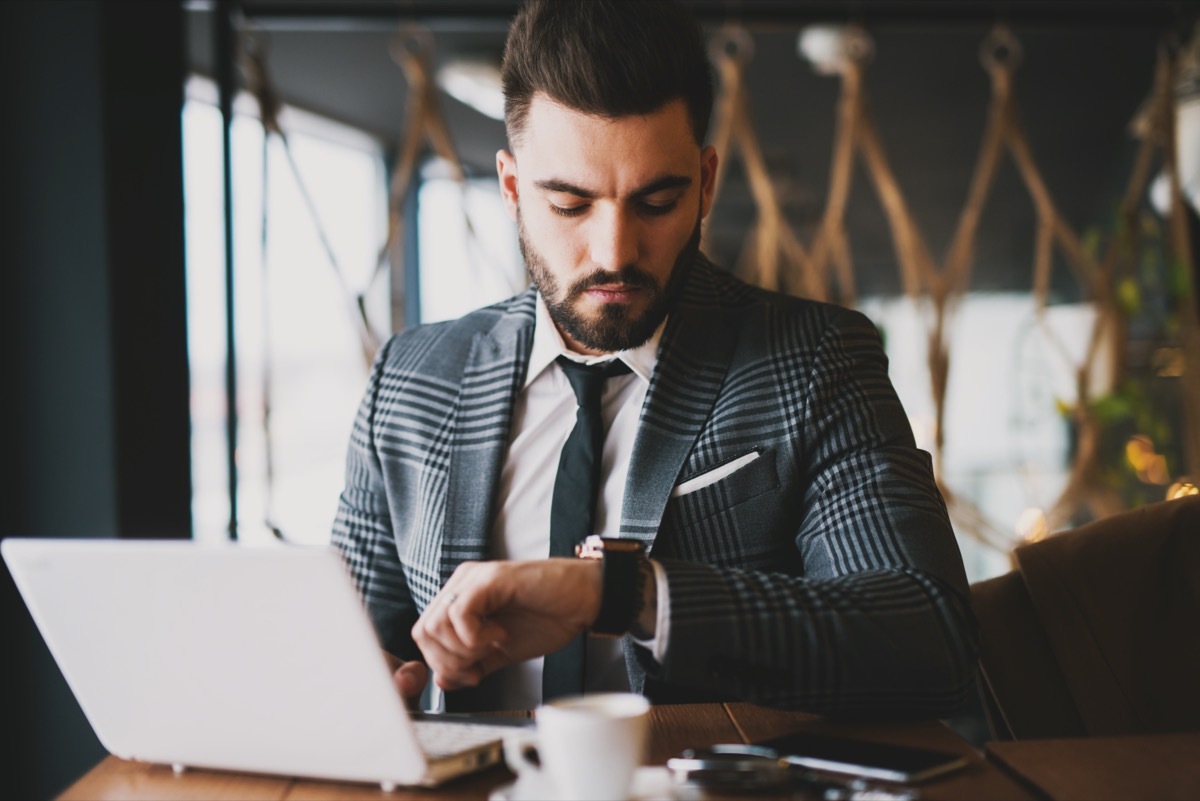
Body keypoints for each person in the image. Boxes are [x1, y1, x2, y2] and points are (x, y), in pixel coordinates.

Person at [333, 0, 977, 715]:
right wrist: (369, 676)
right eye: (571, 206)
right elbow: (352, 636)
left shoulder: (815, 362)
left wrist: (622, 593)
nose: (614, 252)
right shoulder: (411, 377)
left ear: (704, 183)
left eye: (656, 201)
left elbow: (927, 637)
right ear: (513, 190)